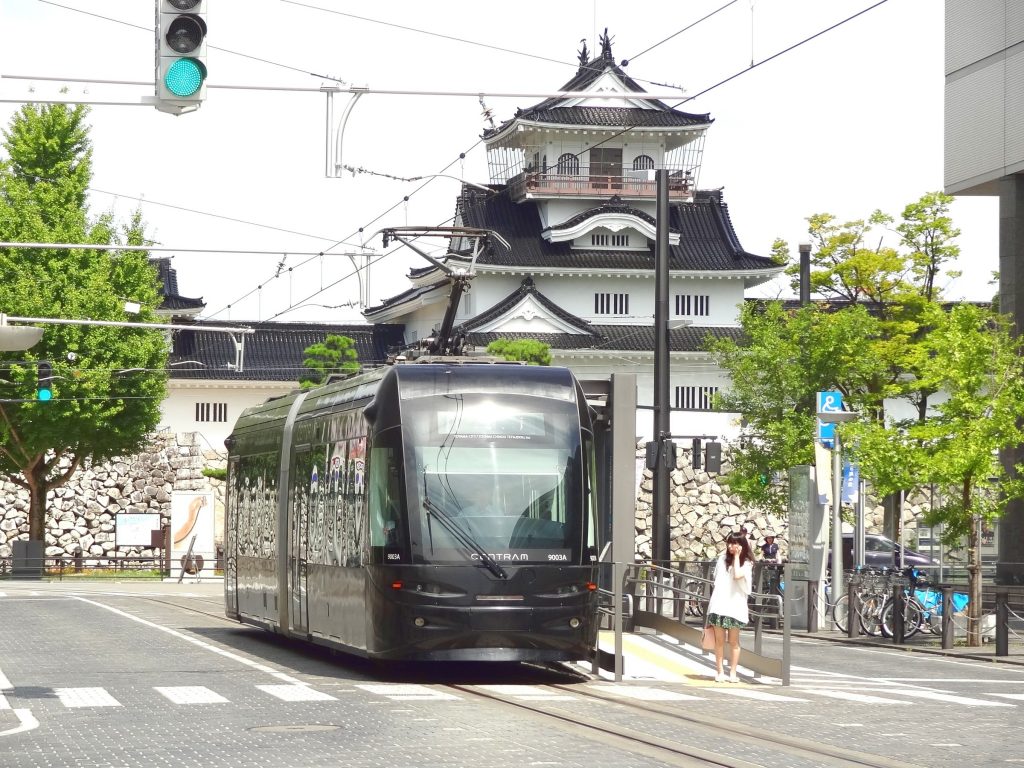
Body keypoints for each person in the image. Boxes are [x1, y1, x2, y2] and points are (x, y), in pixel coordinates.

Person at [705, 531, 754, 683]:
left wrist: (737, 558)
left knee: (734, 642)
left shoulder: (747, 563)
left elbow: (737, 575)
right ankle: (720, 671)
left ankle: (733, 672)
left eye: (735, 543)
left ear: (742, 546)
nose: (731, 546)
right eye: (730, 543)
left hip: (735, 607)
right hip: (720, 605)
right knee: (719, 641)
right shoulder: (722, 560)